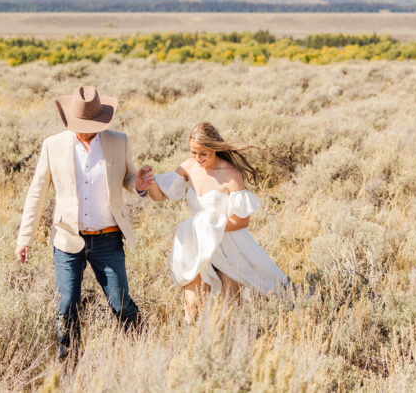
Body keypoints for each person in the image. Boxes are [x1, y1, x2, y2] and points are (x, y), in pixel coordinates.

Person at [15, 85, 154, 359]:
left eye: (93, 124)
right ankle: (67, 365)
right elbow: (36, 194)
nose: (88, 129)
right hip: (67, 239)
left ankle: (144, 354)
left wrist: (137, 184)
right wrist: (24, 238)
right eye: (82, 124)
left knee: (121, 303)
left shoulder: (118, 141)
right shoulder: (52, 145)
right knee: (66, 306)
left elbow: (127, 178)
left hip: (108, 238)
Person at [146, 122, 288, 323]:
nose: (197, 158)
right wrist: (150, 184)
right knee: (192, 305)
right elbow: (162, 196)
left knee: (228, 308)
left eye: (203, 153)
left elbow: (242, 221)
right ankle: (193, 348)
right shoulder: (188, 167)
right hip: (195, 243)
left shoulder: (231, 174)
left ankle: (231, 346)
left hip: (228, 244)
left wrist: (212, 227)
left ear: (215, 148)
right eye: (193, 152)